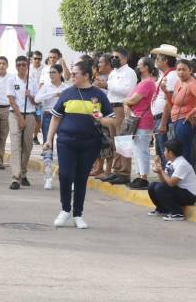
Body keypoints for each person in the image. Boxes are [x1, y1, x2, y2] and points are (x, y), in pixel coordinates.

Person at [45, 60, 115, 229]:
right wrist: (48, 139)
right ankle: (65, 210)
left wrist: (99, 117)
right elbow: (56, 117)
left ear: (86, 75)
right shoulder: (67, 93)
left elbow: (110, 120)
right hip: (66, 142)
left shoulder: (99, 95)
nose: (71, 76)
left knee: (81, 178)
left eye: (75, 73)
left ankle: (78, 214)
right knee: (66, 175)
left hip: (90, 143)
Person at [102, 47, 138, 185]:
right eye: (112, 57)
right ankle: (117, 171)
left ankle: (124, 173)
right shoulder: (113, 73)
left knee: (123, 140)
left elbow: (127, 91)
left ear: (125, 58)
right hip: (111, 107)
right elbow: (110, 90)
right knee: (115, 141)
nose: (113, 59)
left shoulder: (129, 73)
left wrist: (107, 85)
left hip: (121, 108)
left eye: (116, 57)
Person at [124, 57, 157, 190]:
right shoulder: (143, 82)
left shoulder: (147, 83)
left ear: (147, 67)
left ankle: (143, 177)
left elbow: (132, 99)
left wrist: (127, 102)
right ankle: (139, 176)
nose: (137, 67)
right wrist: (127, 101)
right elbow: (130, 99)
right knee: (137, 149)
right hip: (138, 119)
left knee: (141, 149)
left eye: (140, 65)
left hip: (143, 119)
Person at [34, 64, 69, 190]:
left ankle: (65, 178)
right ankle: (48, 177)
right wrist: (54, 94)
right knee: (48, 146)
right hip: (49, 116)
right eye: (50, 72)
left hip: (63, 117)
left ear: (60, 73)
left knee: (64, 147)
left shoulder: (67, 88)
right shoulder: (46, 86)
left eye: (53, 72)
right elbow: (37, 99)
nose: (51, 75)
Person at [7, 56, 38, 190]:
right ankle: (15, 177)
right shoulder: (11, 80)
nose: (21, 67)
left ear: (27, 66)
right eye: (18, 65)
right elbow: (11, 100)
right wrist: (20, 118)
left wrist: (30, 95)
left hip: (30, 114)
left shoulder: (33, 80)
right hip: (15, 114)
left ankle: (23, 173)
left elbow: (37, 101)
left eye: (23, 65)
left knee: (27, 145)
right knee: (15, 145)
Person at [148, 139, 196, 221]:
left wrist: (161, 171)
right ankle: (162, 209)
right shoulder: (171, 162)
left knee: (160, 188)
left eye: (165, 150)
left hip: (190, 195)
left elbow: (171, 183)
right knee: (152, 186)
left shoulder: (182, 164)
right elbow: (164, 181)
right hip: (179, 191)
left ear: (170, 153)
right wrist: (159, 171)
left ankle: (178, 213)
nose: (164, 152)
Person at [161, 59, 196, 168]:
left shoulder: (192, 84)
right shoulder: (178, 83)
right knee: (177, 152)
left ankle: (187, 180)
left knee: (185, 151)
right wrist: (166, 91)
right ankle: (180, 179)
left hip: (185, 121)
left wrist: (191, 113)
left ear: (190, 70)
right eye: (179, 70)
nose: (181, 72)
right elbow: (173, 105)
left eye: (184, 70)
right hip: (175, 121)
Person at [151, 45, 179, 166]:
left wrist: (163, 123)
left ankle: (169, 179)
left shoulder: (172, 76)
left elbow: (169, 100)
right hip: (159, 118)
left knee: (165, 151)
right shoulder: (165, 75)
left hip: (164, 118)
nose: (155, 60)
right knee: (161, 150)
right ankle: (166, 179)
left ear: (165, 60)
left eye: (158, 58)